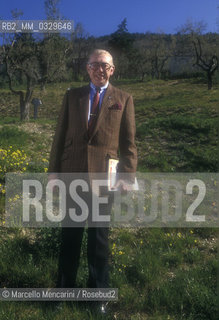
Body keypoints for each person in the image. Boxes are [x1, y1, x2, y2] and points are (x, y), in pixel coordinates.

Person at [48, 49, 137, 314]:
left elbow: (129, 143)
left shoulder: (124, 99)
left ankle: (98, 295)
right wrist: (53, 172)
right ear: (87, 68)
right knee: (70, 237)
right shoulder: (72, 96)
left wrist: (128, 176)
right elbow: (59, 135)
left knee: (99, 239)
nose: (100, 69)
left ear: (113, 70)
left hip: (104, 179)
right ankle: (63, 291)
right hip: (72, 175)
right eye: (95, 65)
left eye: (105, 65)